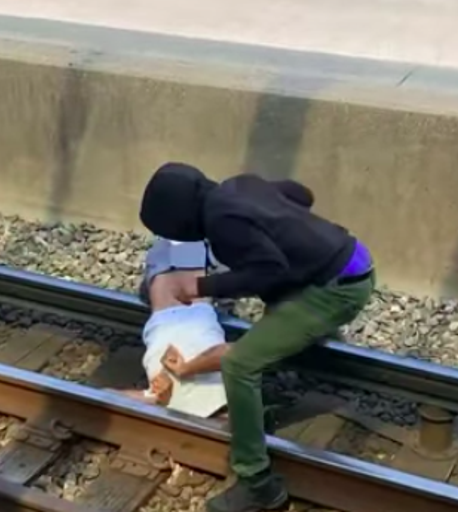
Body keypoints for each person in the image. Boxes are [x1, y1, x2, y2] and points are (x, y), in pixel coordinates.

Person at [138, 162, 375, 512]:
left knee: (239, 365)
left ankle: (258, 484)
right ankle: (314, 355)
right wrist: (289, 226)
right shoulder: (240, 186)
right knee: (273, 318)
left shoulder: (222, 225)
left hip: (335, 290)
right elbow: (300, 195)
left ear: (182, 223)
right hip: (352, 258)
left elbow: (269, 271)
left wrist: (202, 285)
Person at [108, 237, 231, 420]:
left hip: (179, 310)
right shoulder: (232, 396)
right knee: (184, 254)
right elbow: (232, 353)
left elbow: (105, 396)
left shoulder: (169, 403)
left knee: (178, 254)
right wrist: (187, 370)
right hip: (188, 309)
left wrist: (160, 398)